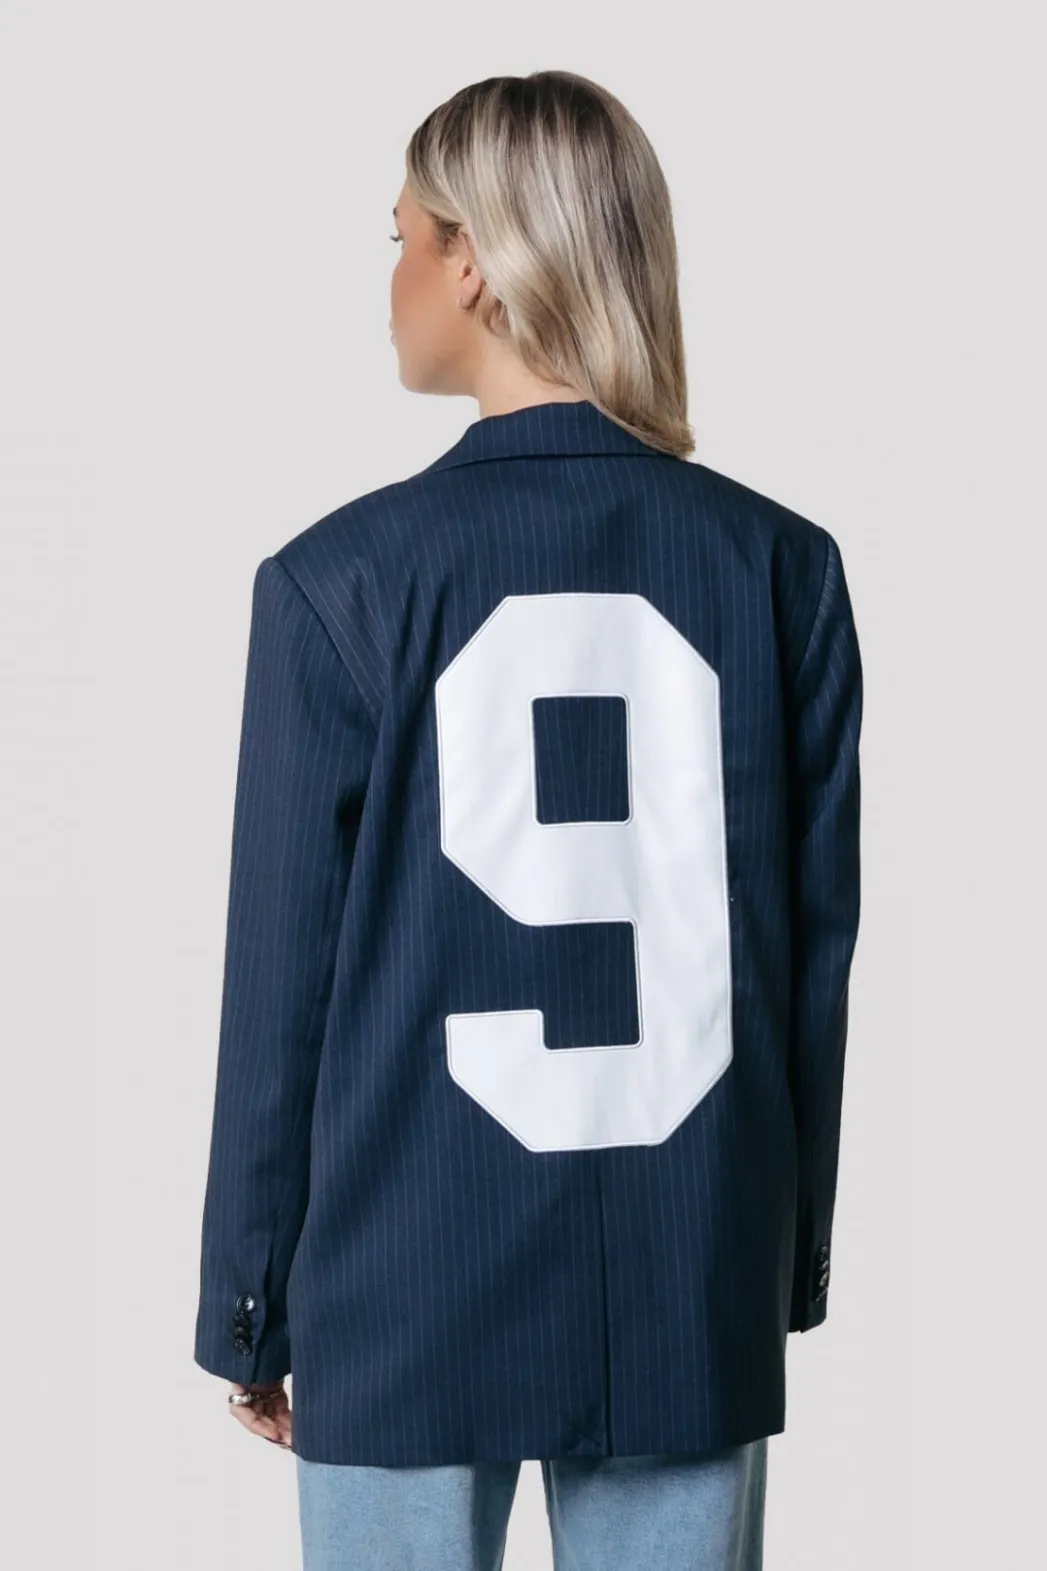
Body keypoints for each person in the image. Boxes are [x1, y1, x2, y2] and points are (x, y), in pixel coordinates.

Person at [193, 69, 863, 1571]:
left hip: (400, 1282)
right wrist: (784, 1258)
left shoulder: (336, 583)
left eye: (402, 238)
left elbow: (281, 988)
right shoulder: (783, 569)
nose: (390, 279)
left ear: (476, 262)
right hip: (689, 1270)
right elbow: (809, 968)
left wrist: (249, 1297)